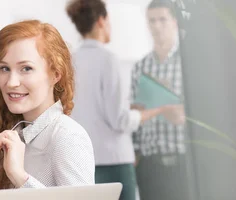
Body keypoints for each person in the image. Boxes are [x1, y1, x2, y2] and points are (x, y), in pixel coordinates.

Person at [0, 20, 95, 200]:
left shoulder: (67, 136)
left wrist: (19, 176)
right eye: (5, 68)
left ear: (56, 74)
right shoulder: (12, 132)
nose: (11, 82)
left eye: (26, 68)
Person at [66, 1, 178, 199]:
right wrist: (157, 110)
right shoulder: (108, 59)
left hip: (83, 162)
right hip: (115, 163)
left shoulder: (69, 61)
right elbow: (120, 120)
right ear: (102, 21)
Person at [131, 1, 189, 200]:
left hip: (183, 161)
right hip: (150, 165)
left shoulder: (188, 62)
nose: (156, 26)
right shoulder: (140, 68)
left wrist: (183, 113)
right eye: (152, 21)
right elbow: (135, 118)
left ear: (174, 22)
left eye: (162, 20)